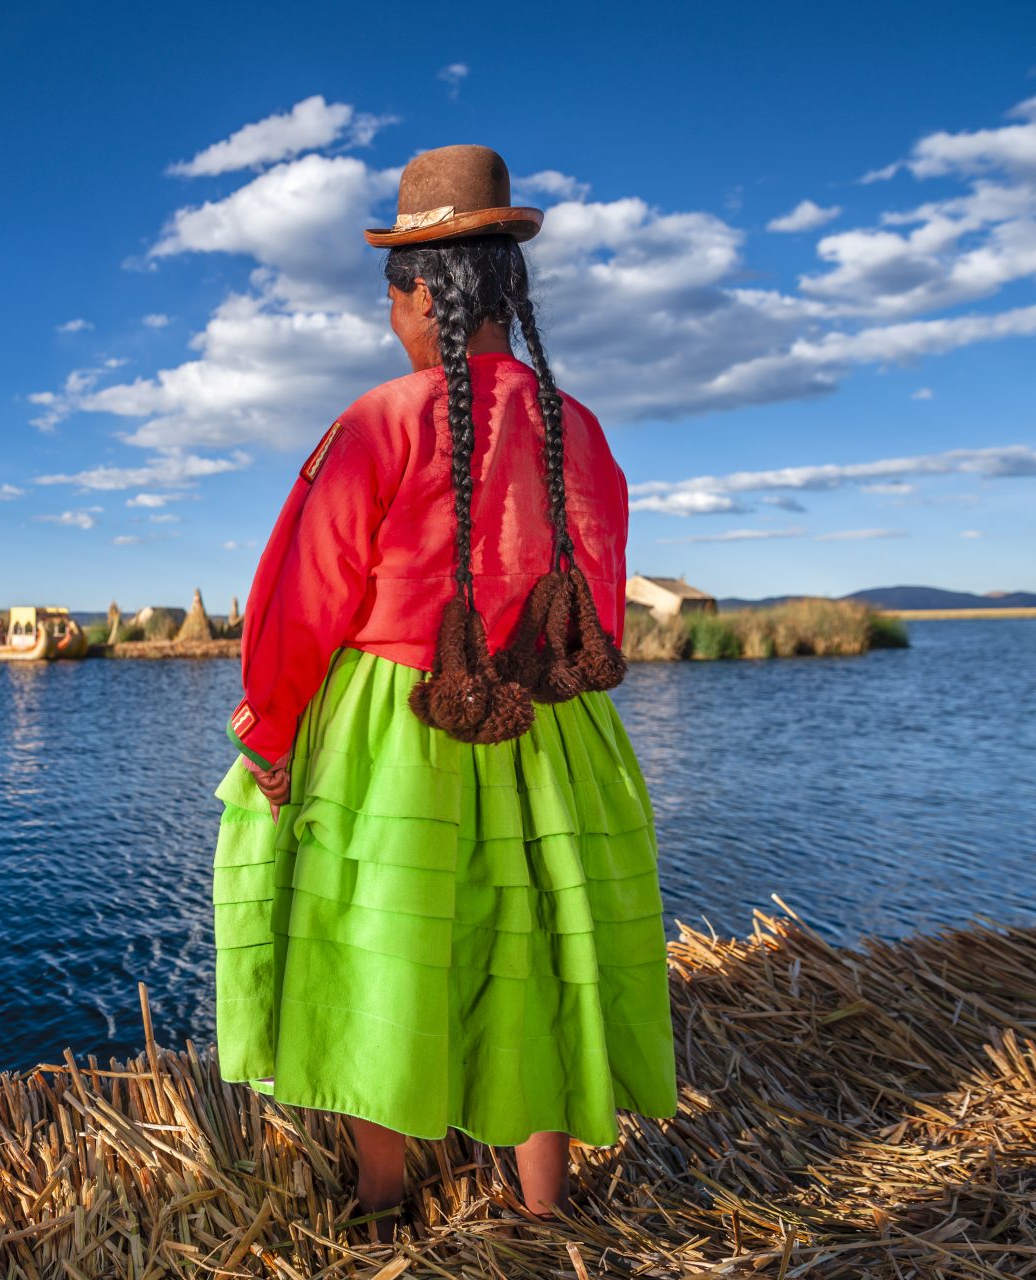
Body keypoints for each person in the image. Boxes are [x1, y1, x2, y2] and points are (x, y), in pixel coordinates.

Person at [210, 144, 678, 1243]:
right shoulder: (584, 433)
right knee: (537, 942)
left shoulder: (378, 422)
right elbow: (595, 609)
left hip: (395, 732)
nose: (391, 319)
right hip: (552, 729)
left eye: (391, 297)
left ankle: (381, 1202)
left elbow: (296, 600)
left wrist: (272, 735)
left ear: (420, 293)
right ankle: (542, 1207)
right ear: (506, 288)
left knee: (384, 942)